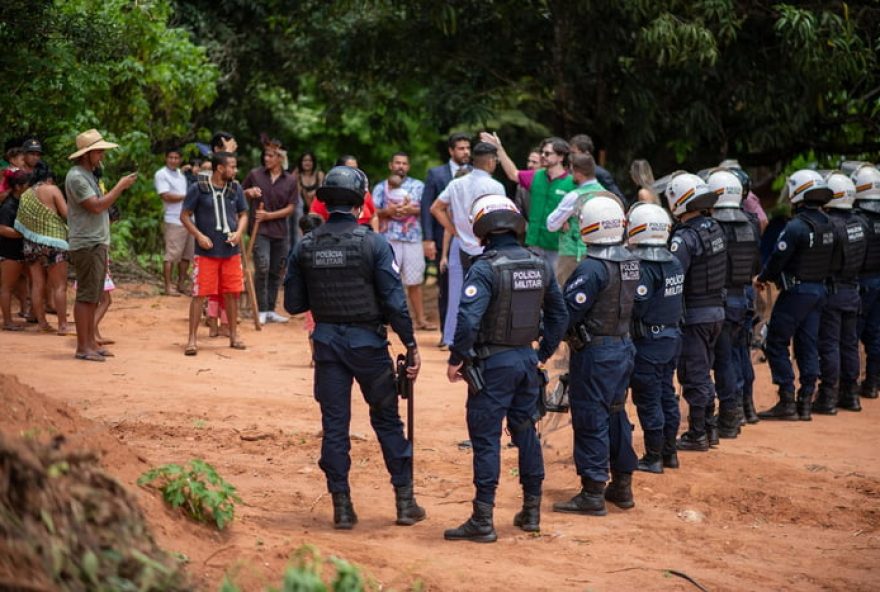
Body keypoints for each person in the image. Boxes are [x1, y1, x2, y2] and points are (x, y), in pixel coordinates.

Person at [283, 165, 424, 530]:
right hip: (368, 346)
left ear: (326, 203)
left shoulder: (305, 246)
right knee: (388, 421)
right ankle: (405, 504)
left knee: (334, 426)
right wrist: (410, 343)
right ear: (362, 202)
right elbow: (395, 301)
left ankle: (342, 508)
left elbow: (294, 305)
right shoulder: (374, 243)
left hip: (328, 346)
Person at [443, 194, 566, 542]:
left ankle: (483, 519)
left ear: (482, 227)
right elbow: (559, 314)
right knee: (526, 432)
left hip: (492, 365)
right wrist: (542, 353)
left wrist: (457, 358)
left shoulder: (484, 267)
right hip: (526, 362)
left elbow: (468, 318)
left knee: (486, 441)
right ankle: (531, 512)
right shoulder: (539, 263)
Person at [553, 196, 640, 516]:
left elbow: (567, 314)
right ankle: (622, 484)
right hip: (622, 347)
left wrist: (548, 339)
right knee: (617, 413)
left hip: (596, 354)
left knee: (591, 416)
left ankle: (592, 492)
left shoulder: (590, 267)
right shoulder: (630, 260)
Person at [755, 169, 835, 421]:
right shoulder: (829, 224)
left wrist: (764, 277)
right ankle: (806, 401)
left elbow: (778, 258)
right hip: (819, 291)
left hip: (797, 292)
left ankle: (787, 398)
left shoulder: (796, 226)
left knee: (775, 341)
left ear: (799, 193)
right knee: (807, 343)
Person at [665, 172, 727, 450]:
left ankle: (698, 433)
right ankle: (710, 430)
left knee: (694, 373)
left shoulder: (685, 238)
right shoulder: (714, 228)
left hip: (695, 316)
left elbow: (674, 277)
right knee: (704, 371)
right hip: (716, 312)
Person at [64, 129, 137, 361]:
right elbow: (95, 206)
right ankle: (82, 347)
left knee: (93, 296)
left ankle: (89, 344)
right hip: (87, 242)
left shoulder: (88, 175)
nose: (102, 156)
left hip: (96, 241)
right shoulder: (76, 176)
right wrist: (120, 187)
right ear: (88, 154)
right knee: (86, 296)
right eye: (99, 152)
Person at [626, 203, 684, 473]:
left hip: (649, 342)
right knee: (666, 394)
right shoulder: (673, 261)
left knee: (649, 398)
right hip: (671, 337)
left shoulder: (643, 266)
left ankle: (653, 457)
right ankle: (669, 453)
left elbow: (638, 306)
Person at [430, 142, 506, 347]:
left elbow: (436, 208)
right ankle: (482, 338)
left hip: (463, 245)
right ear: (490, 161)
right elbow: (501, 216)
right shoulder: (495, 186)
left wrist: (455, 230)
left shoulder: (456, 184)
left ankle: (456, 339)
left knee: (461, 294)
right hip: (487, 247)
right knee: (487, 294)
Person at [707, 169, 761, 438]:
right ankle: (745, 407)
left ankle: (730, 417)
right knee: (740, 354)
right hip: (743, 295)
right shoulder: (750, 222)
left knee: (724, 359)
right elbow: (755, 263)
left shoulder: (714, 227)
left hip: (722, 301)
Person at [180, 152, 249, 355]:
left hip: (230, 250)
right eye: (232, 167)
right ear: (220, 168)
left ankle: (234, 335)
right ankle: (192, 339)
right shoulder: (198, 189)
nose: (235, 171)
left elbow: (244, 213)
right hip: (206, 252)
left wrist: (239, 232)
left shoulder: (235, 188)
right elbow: (184, 215)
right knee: (200, 293)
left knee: (232, 293)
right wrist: (199, 235)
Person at [813, 171, 867, 413]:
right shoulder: (861, 223)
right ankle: (851, 394)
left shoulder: (829, 226)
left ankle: (827, 397)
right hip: (853, 290)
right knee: (849, 344)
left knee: (830, 345)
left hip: (833, 292)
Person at [487, 134, 575, 271]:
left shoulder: (571, 182)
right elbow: (513, 174)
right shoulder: (536, 176)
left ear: (561, 157)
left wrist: (572, 221)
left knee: (556, 288)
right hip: (534, 244)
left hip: (557, 246)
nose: (543, 156)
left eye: (547, 153)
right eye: (542, 153)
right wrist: (499, 148)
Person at [422, 133, 472, 346]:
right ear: (451, 151)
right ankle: (447, 334)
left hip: (471, 240)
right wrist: (428, 239)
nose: (465, 152)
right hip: (444, 236)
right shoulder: (436, 173)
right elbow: (427, 207)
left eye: (468, 148)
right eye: (460, 148)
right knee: (446, 288)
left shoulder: (474, 174)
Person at [374, 153, 433, 330]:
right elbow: (373, 211)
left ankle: (420, 319)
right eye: (397, 163)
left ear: (408, 166)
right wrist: (388, 211)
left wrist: (411, 209)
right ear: (390, 165)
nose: (401, 166)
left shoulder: (418, 186)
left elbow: (427, 208)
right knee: (388, 281)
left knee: (414, 281)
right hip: (389, 239)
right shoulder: (381, 187)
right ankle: (385, 320)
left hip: (412, 238)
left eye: (404, 163)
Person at [243, 142, 296, 325]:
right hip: (260, 231)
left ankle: (271, 310)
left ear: (280, 158)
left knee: (276, 271)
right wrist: (248, 192)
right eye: (265, 155)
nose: (266, 158)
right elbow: (239, 194)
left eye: (271, 155)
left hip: (280, 232)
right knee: (262, 267)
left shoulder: (290, 180)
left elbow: (291, 207)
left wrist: (269, 215)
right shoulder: (255, 175)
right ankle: (261, 309)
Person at [14, 162, 70, 334]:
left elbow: (21, 222)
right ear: (49, 178)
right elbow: (66, 214)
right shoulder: (52, 190)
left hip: (31, 244)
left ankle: (42, 323)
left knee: (37, 285)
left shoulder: (25, 195)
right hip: (54, 243)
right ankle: (62, 325)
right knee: (59, 286)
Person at [546, 152, 606, 285]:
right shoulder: (604, 193)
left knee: (564, 294)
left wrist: (563, 221)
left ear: (579, 173)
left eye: (572, 171)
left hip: (572, 254)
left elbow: (551, 224)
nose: (571, 174)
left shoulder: (575, 196)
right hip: (599, 253)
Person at [851, 164, 880, 401]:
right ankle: (872, 383)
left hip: (862, 283)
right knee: (876, 334)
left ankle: (847, 389)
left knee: (851, 336)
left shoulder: (858, 220)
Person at [154, 147, 194, 296]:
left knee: (186, 255)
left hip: (189, 219)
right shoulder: (161, 174)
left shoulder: (181, 174)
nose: (173, 160)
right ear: (166, 158)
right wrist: (188, 197)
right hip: (173, 219)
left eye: (176, 158)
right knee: (171, 255)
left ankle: (181, 284)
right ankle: (167, 286)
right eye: (171, 157)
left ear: (180, 160)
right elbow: (165, 196)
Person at [309, 156, 377, 229]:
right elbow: (313, 219)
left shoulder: (363, 192)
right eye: (350, 169)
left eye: (356, 168)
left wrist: (375, 236)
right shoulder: (328, 194)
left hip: (365, 237)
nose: (354, 172)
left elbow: (374, 216)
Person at [0, 171, 30, 331]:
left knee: (23, 281)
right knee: (7, 287)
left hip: (19, 250)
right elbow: (3, 229)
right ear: (18, 187)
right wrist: (23, 233)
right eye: (26, 185)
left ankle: (26, 312)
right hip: (9, 251)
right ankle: (7, 321)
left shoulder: (19, 202)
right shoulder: (8, 206)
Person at [569, 134, 625, 202]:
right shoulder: (570, 172)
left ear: (586, 153)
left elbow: (619, 198)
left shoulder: (600, 174)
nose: (570, 157)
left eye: (573, 153)